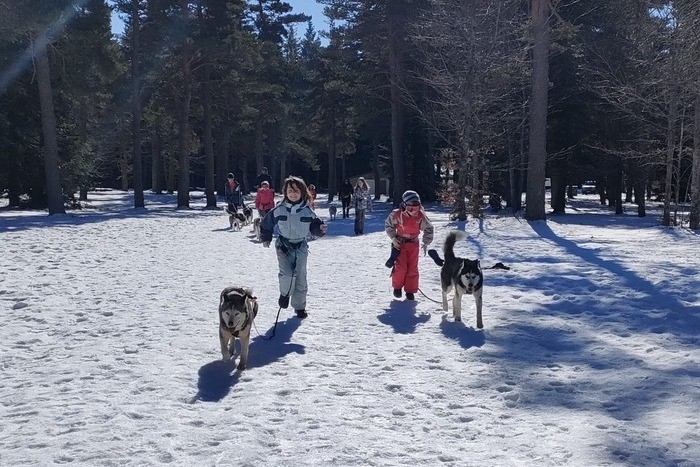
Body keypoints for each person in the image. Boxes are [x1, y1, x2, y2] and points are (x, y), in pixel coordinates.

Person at [260, 176, 327, 319]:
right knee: (287, 274)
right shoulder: (279, 209)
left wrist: (320, 229)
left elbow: (315, 227)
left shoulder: (307, 211)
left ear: (302, 192)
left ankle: (300, 307)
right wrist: (266, 237)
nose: (293, 193)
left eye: (296, 190)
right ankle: (284, 294)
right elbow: (266, 224)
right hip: (283, 246)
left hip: (301, 247)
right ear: (285, 192)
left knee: (300, 277)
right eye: (290, 190)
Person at [384, 190, 434, 301]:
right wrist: (393, 238)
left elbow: (429, 228)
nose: (414, 211)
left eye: (416, 208)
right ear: (404, 205)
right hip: (400, 244)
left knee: (412, 268)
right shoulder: (397, 214)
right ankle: (397, 287)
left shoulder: (420, 216)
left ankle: (410, 290)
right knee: (401, 268)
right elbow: (388, 225)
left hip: (414, 244)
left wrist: (426, 242)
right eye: (411, 208)